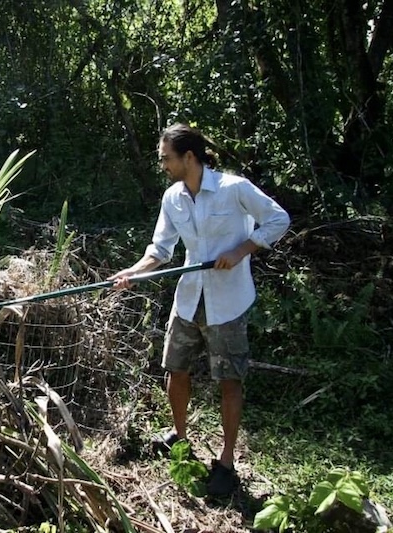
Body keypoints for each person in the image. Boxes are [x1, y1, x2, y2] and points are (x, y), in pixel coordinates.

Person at [108, 123, 290, 496]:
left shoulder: (233, 188)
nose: (163, 165)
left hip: (228, 301)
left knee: (228, 380)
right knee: (175, 369)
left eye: (166, 158)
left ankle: (225, 462)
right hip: (190, 298)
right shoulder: (172, 198)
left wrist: (241, 251)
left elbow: (278, 219)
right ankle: (179, 436)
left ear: (189, 157)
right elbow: (159, 250)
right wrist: (132, 273)